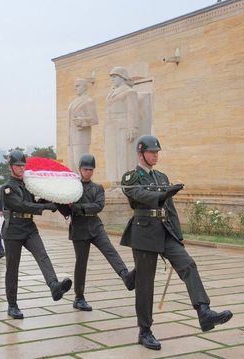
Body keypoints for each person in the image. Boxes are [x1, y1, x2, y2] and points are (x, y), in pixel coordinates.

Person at [121, 135, 232, 350]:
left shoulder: (162, 177)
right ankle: (145, 331)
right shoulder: (131, 177)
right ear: (141, 153)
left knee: (187, 264)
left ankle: (204, 312)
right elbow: (138, 195)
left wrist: (178, 237)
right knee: (145, 284)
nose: (156, 155)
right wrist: (163, 194)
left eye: (157, 152)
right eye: (152, 152)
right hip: (143, 233)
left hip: (165, 231)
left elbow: (169, 209)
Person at [56, 154, 136, 312]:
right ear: (79, 169)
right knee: (81, 263)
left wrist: (77, 207)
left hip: (95, 226)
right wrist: (60, 201)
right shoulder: (71, 188)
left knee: (110, 250)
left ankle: (126, 276)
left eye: (91, 170)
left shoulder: (97, 188)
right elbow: (66, 210)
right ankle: (79, 297)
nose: (88, 172)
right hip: (79, 229)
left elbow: (98, 206)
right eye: (86, 169)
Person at [1, 150, 72, 319]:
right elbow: (22, 205)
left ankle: (54, 286)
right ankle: (12, 305)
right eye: (17, 165)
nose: (21, 168)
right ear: (10, 167)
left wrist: (53, 198)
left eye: (22, 165)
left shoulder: (29, 184)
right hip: (13, 230)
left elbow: (34, 202)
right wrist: (44, 208)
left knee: (42, 255)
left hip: (29, 227)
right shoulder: (7, 189)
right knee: (12, 269)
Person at [104, 67, 140, 183]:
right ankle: (114, 182)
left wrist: (132, 128)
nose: (112, 79)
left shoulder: (129, 92)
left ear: (122, 77)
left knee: (122, 156)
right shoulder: (111, 93)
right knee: (112, 156)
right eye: (112, 77)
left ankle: (124, 182)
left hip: (122, 127)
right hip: (111, 128)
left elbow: (132, 111)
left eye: (115, 77)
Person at [67, 78, 98, 170]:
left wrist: (81, 121)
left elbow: (94, 119)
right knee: (72, 164)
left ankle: (85, 183)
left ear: (84, 87)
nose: (75, 88)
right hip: (71, 138)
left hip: (81, 138)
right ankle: (75, 184)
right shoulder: (73, 102)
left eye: (78, 86)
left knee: (80, 163)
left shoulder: (88, 101)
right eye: (75, 86)